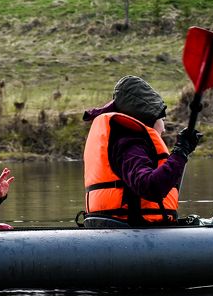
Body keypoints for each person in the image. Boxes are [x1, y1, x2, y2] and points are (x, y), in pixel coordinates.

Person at [81, 75, 201, 227]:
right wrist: (180, 152)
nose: (163, 128)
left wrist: (182, 153)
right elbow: (151, 188)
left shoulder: (123, 138)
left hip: (115, 227)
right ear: (149, 118)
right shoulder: (130, 144)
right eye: (161, 118)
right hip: (129, 230)